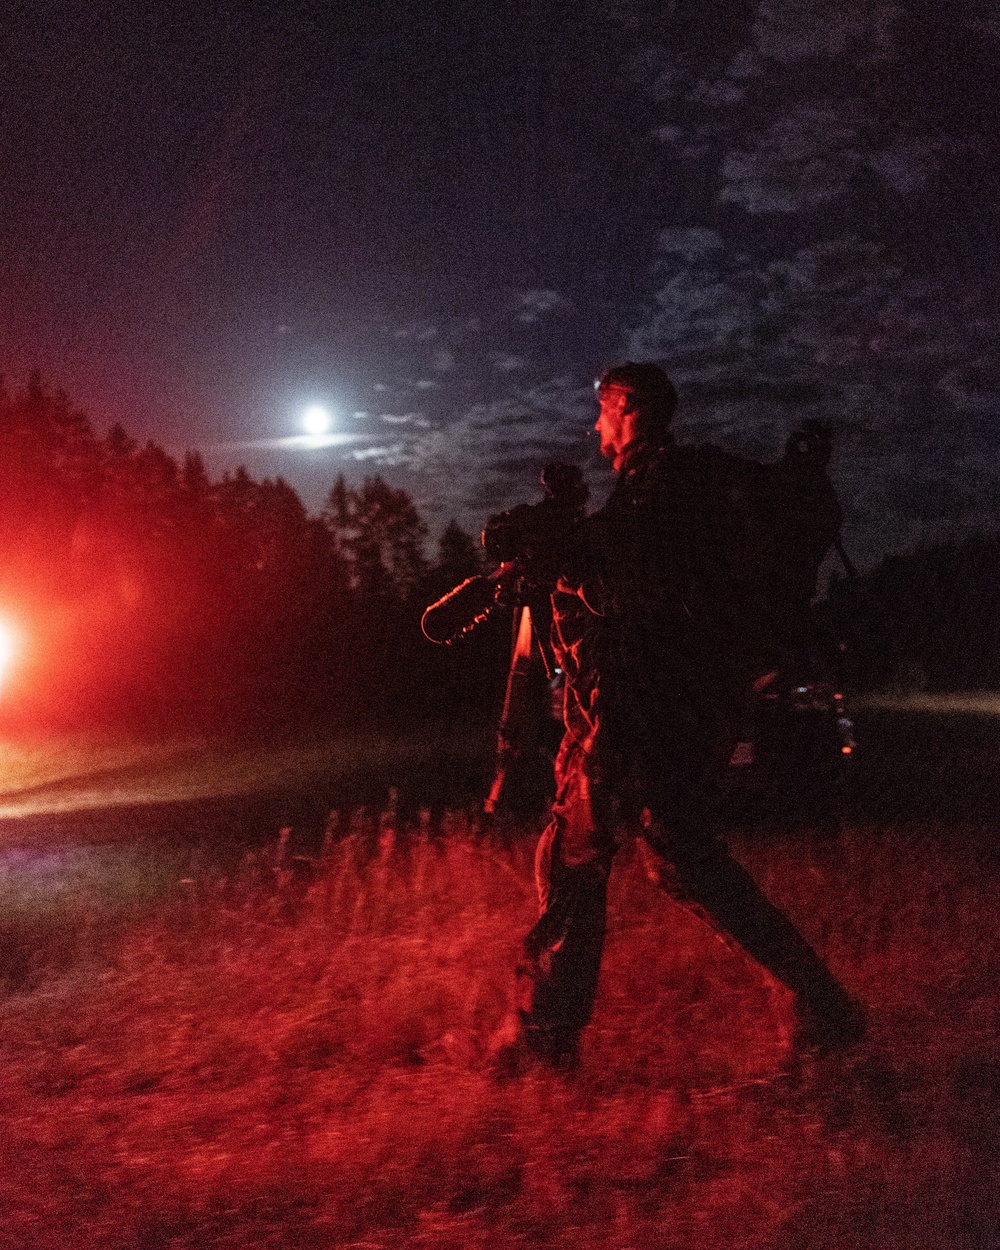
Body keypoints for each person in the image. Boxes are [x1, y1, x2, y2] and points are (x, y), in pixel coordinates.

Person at [499, 361, 864, 1071]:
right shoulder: (677, 486)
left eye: (602, 411)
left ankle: (543, 1037)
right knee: (683, 860)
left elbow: (642, 581)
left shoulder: (668, 487)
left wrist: (569, 551)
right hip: (691, 710)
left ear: (629, 409)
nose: (593, 425)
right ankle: (820, 1006)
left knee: (572, 852)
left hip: (645, 708)